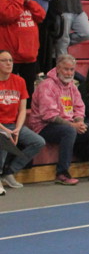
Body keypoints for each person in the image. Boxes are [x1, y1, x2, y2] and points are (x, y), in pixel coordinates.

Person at [27, 54, 89, 185]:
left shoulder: (72, 86)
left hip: (67, 124)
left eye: (72, 70)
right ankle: (62, 173)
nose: (69, 73)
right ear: (58, 68)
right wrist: (72, 125)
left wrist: (79, 122)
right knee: (69, 131)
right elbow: (49, 115)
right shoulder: (46, 86)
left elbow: (79, 106)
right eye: (66, 69)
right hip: (44, 126)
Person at [0, 49, 46, 193]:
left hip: (13, 124)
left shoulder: (19, 81)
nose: (9, 63)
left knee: (38, 142)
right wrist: (5, 131)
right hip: (1, 126)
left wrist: (18, 129)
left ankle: (9, 172)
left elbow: (22, 110)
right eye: (4, 60)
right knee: (3, 141)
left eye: (10, 60)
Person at [0, 0, 46, 97]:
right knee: (9, 92)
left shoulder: (25, 0)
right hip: (11, 57)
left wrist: (29, 2)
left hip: (29, 55)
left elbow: (41, 15)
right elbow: (7, 15)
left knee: (29, 92)